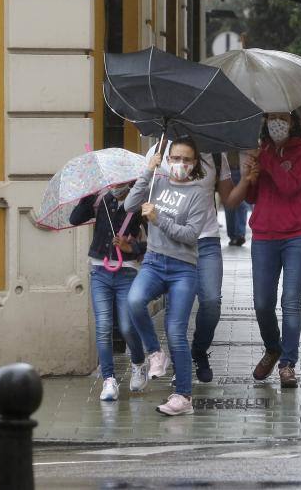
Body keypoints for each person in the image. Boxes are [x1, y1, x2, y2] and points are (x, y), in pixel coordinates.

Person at [144, 141, 251, 385]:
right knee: (175, 310)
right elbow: (145, 195)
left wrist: (246, 179)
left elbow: (229, 200)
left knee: (211, 302)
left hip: (206, 240)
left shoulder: (214, 153)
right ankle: (179, 369)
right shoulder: (159, 150)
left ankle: (199, 351)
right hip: (171, 243)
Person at [125, 136, 211, 416]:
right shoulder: (156, 182)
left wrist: (158, 218)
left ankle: (183, 396)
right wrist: (148, 170)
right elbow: (129, 204)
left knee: (176, 331)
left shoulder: (199, 193)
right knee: (135, 301)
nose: (180, 164)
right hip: (153, 261)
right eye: (176, 158)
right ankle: (154, 353)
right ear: (167, 159)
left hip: (183, 268)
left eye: (187, 159)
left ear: (194, 163)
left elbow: (190, 235)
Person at [244, 111, 301, 388]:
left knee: (290, 302)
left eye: (281, 117)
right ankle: (273, 348)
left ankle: (288, 363)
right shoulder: (261, 152)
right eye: (270, 117)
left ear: (293, 120)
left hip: (297, 236)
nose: (276, 122)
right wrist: (252, 176)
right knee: (262, 303)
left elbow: (289, 186)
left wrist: (269, 160)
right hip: (264, 235)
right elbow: (252, 197)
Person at [69, 182, 150, 401]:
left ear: (131, 181)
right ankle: (109, 380)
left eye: (121, 182)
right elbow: (74, 219)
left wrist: (132, 248)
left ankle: (139, 362)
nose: (116, 186)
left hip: (127, 272)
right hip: (99, 270)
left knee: (126, 326)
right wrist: (88, 195)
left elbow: (154, 242)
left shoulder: (140, 203)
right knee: (103, 326)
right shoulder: (101, 201)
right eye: (113, 182)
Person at [224, 151, 250, 246]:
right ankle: (232, 235)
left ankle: (240, 234)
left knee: (242, 204)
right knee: (229, 204)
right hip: (227, 170)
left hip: (242, 170)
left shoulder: (244, 137)